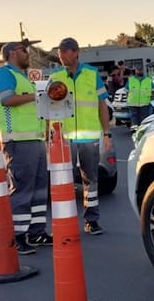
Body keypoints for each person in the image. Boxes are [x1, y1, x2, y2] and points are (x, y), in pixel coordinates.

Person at [49, 37, 114, 235]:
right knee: (63, 181)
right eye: (59, 53)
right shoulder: (56, 76)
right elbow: (48, 106)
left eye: (63, 53)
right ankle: (65, 220)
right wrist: (49, 134)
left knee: (90, 181)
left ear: (75, 52)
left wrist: (106, 133)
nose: (60, 57)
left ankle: (91, 221)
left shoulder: (91, 74)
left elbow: (103, 105)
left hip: (89, 138)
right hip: (64, 139)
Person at [0, 41, 50, 254]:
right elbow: (7, 99)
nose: (28, 53)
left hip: (34, 139)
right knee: (23, 189)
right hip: (18, 140)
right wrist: (37, 96)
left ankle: (37, 232)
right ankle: (18, 236)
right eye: (24, 50)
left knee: (40, 188)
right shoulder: (4, 73)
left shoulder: (24, 77)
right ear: (12, 53)